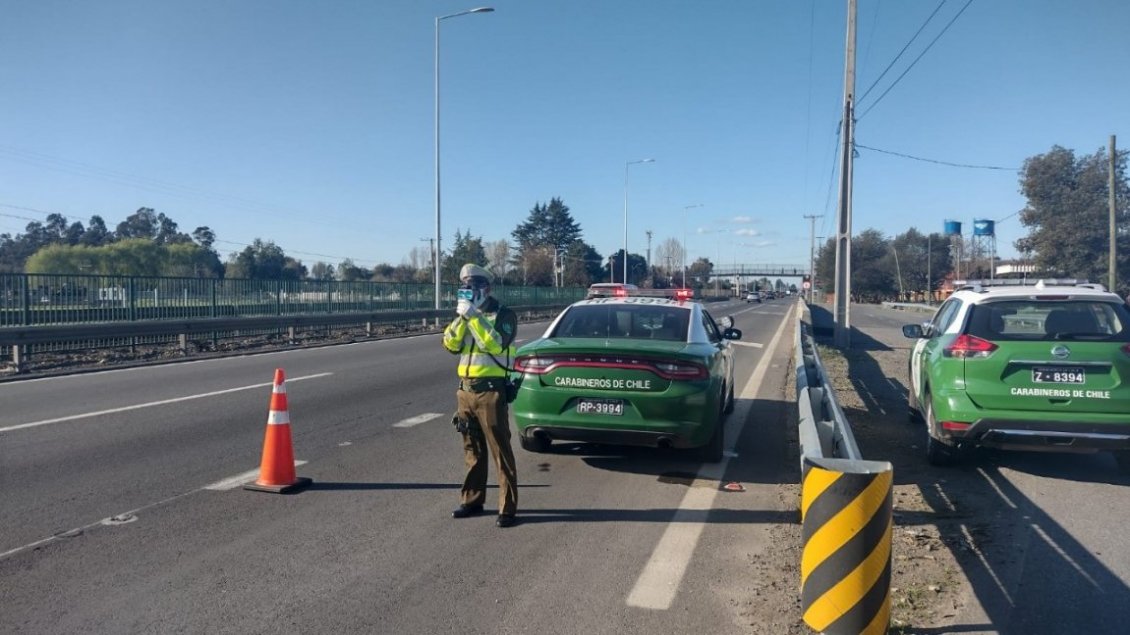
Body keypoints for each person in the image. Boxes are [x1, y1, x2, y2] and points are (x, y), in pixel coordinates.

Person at [442, 263, 520, 528]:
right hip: (465, 390)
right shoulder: (464, 315)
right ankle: (472, 500)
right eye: (465, 287)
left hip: (490, 391)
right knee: (471, 450)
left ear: (486, 288)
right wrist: (462, 319)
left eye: (472, 287)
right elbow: (450, 344)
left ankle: (507, 508)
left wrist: (475, 317)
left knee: (501, 451)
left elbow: (496, 343)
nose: (468, 292)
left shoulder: (504, 315)